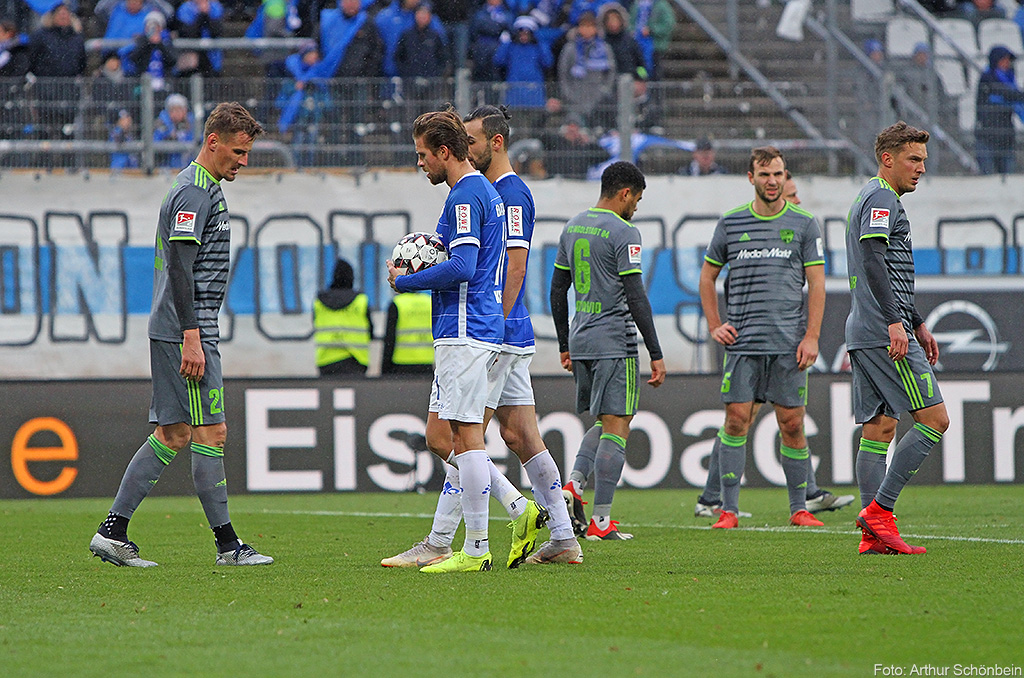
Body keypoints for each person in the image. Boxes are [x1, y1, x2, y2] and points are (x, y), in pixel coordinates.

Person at [382, 105, 582, 568]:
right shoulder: (488, 191)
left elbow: (505, 266)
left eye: (471, 141)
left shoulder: (501, 194)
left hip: (484, 327)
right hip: (491, 326)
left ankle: (473, 535)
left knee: (454, 436)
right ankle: (561, 535)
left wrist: (410, 282)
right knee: (518, 435)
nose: (420, 162)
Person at [89, 102, 273, 568]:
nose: (243, 161)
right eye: (238, 151)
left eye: (247, 153)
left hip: (182, 327)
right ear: (213, 142)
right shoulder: (193, 192)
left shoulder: (200, 187)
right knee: (206, 431)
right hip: (186, 329)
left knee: (175, 432)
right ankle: (227, 547)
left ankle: (113, 532)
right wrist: (192, 333)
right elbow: (178, 265)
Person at [694, 165, 855, 522]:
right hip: (744, 345)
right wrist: (715, 325)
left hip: (787, 344)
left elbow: (817, 283)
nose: (772, 181)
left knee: (792, 424)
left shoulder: (804, 224)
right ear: (750, 177)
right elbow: (707, 277)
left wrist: (811, 337)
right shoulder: (731, 222)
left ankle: (800, 507)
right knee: (736, 420)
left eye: (778, 174)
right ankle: (725, 508)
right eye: (765, 174)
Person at [385, 107, 507, 573]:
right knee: (446, 435)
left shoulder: (466, 196)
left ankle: (475, 550)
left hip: (465, 327)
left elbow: (463, 267)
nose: (420, 163)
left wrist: (406, 282)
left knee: (467, 436)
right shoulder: (476, 191)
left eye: (423, 155)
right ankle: (509, 511)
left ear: (443, 151)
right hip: (470, 327)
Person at [847, 121, 950, 555]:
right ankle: (879, 512)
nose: (921, 167)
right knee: (935, 420)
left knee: (880, 427)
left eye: (923, 160)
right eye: (914, 159)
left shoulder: (872, 197)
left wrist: (917, 321)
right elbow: (873, 259)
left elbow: (888, 267)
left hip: (867, 327)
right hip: (882, 330)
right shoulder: (882, 198)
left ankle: (874, 536)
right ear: (887, 159)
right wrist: (896, 323)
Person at [550, 161, 666, 540]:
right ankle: (601, 522)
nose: (636, 208)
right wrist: (655, 351)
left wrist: (565, 343)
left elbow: (558, 289)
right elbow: (635, 294)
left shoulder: (573, 226)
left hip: (582, 340)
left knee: (604, 422)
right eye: (637, 200)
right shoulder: (624, 231)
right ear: (624, 193)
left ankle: (573, 486)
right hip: (615, 341)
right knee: (618, 425)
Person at [557, 11, 617, 131]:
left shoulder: (604, 48)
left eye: (590, 26)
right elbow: (563, 73)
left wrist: (604, 90)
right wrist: (569, 94)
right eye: (584, 26)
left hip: (598, 100)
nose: (587, 30)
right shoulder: (570, 48)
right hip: (575, 99)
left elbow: (610, 72)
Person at [313, 257, 373, 377]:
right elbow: (371, 332)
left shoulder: (319, 302)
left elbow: (315, 325)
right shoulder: (360, 300)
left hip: (326, 361)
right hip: (355, 361)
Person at [975, 45, 1024, 175]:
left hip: (1006, 135)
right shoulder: (987, 78)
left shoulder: (1010, 79)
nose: (1007, 63)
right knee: (988, 176)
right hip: (987, 135)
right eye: (1004, 59)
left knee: (1008, 175)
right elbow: (1006, 93)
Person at [380, 291, 434, 375]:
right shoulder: (429, 302)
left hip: (401, 364)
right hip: (426, 363)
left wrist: (385, 368)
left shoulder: (397, 303)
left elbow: (390, 338)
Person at [153, 93, 196, 169]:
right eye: (173, 110)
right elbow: (155, 143)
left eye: (179, 109)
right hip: (167, 168)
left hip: (189, 167)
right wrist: (168, 137)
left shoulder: (192, 124)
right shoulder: (162, 125)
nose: (176, 113)